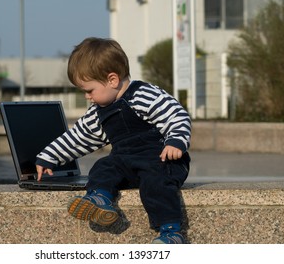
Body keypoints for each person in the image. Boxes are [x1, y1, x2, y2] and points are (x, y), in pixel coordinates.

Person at [35, 37, 191, 244]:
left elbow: (175, 114)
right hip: (126, 161)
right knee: (103, 167)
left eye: (89, 90)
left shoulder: (143, 95)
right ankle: (101, 199)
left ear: (112, 80)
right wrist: (49, 157)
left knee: (155, 183)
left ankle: (171, 231)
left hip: (161, 160)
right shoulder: (99, 112)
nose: (87, 97)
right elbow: (78, 137)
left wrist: (176, 141)